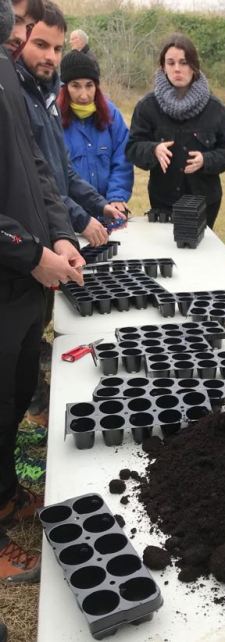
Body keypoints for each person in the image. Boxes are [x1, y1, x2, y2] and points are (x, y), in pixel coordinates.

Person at [1, 0, 84, 583]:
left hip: (27, 285)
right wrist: (32, 254)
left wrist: (59, 231)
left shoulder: (10, 76)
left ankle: (6, 494)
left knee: (16, 391)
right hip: (13, 271)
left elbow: (35, 166)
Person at [17, 1, 124, 248]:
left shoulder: (47, 98)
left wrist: (99, 204)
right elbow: (34, 180)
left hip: (55, 230)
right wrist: (81, 218)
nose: (50, 57)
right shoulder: (16, 99)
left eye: (57, 49)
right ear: (21, 36)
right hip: (30, 238)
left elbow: (63, 170)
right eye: (40, 45)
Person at [126, 33, 225, 229]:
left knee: (198, 255)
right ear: (163, 67)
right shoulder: (147, 107)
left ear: (194, 66)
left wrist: (207, 160)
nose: (177, 69)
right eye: (170, 63)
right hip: (163, 201)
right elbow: (132, 147)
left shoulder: (215, 109)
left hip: (204, 202)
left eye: (184, 62)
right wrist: (153, 149)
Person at [57, 50, 133, 213]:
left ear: (96, 86)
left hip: (109, 210)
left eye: (89, 85)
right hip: (71, 215)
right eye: (76, 86)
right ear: (65, 88)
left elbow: (123, 158)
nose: (84, 95)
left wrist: (117, 196)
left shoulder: (112, 115)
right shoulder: (53, 119)